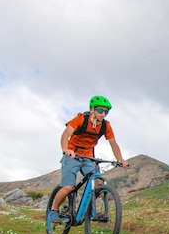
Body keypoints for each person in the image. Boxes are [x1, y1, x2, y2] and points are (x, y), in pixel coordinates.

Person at [48, 95, 129, 224]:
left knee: (98, 183)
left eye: (106, 112)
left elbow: (113, 143)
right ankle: (53, 211)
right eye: (100, 111)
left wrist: (120, 160)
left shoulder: (105, 126)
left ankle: (92, 212)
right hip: (72, 155)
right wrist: (66, 149)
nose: (103, 114)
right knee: (68, 187)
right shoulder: (81, 119)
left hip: (88, 157)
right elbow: (66, 134)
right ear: (92, 110)